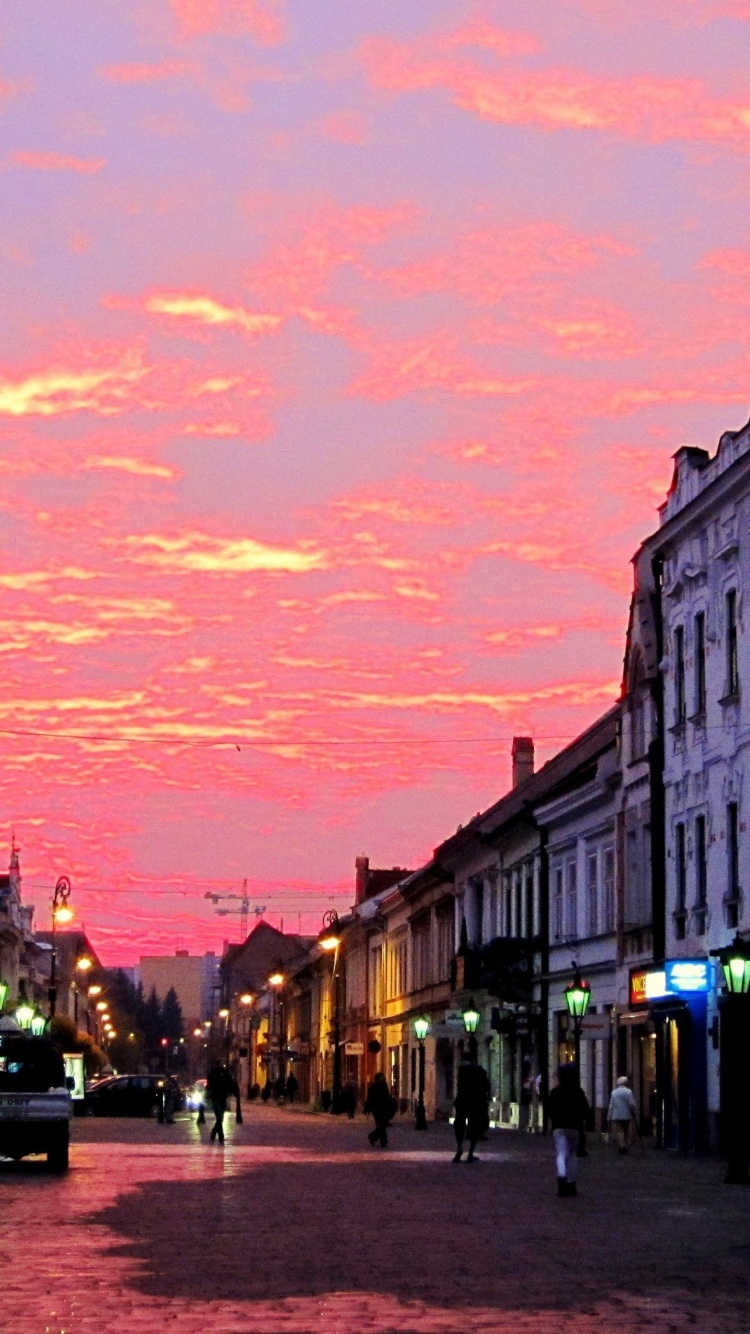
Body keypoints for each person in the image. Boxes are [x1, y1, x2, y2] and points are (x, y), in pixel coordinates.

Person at [546, 1063, 590, 1196]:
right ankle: (571, 1183)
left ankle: (562, 1178)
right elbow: (585, 1110)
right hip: (574, 1127)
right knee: (572, 1154)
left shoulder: (555, 1092)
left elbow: (549, 1111)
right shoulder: (578, 1091)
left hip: (559, 1127)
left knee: (561, 1154)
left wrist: (555, 1119)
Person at [453, 1048, 491, 1163]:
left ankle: (459, 1148)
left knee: (459, 1125)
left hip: (462, 1101)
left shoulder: (461, 1071)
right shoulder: (480, 1071)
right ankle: (470, 1153)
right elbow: (487, 1087)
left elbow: (459, 1086)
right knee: (474, 1127)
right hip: (475, 1102)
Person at [206, 1061, 237, 1145]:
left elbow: (230, 1083)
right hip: (216, 1098)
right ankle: (221, 1135)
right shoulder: (214, 1074)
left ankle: (214, 1131)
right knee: (219, 1116)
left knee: (221, 1117)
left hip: (222, 1097)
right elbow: (209, 1085)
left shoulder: (224, 1073)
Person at [608, 1075, 637, 1154]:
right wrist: (633, 1110)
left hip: (616, 1115)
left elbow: (612, 1105)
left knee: (619, 1131)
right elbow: (631, 1104)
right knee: (625, 1130)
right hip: (626, 1115)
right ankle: (624, 1145)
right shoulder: (628, 1092)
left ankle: (622, 1146)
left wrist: (609, 1116)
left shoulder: (614, 1093)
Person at [364, 1071, 393, 1148]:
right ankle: (382, 1141)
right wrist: (367, 1108)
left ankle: (373, 1137)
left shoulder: (384, 1085)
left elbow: (387, 1096)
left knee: (382, 1125)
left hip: (383, 1108)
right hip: (376, 1109)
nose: (383, 1078)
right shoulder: (374, 1086)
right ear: (377, 1078)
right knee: (381, 1125)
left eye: (383, 1077)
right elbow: (370, 1098)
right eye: (381, 1077)